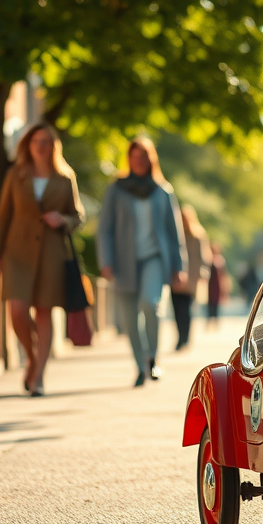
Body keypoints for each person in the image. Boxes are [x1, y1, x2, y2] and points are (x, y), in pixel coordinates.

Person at [0, 124, 85, 396]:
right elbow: (3, 216)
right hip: (16, 252)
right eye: (36, 141)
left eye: (46, 141)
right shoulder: (16, 175)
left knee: (44, 311)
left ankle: (39, 375)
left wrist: (62, 219)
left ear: (54, 146)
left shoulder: (66, 178)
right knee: (17, 311)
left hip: (52, 253)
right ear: (28, 145)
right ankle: (31, 357)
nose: (41, 146)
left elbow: (78, 216)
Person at [98, 136, 186, 387]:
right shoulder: (116, 190)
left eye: (143, 156)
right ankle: (139, 365)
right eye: (134, 156)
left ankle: (152, 359)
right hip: (124, 261)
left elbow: (173, 231)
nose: (139, 160)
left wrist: (179, 267)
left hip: (154, 258)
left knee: (151, 304)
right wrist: (106, 260)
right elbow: (105, 228)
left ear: (151, 159)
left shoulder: (163, 191)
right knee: (129, 319)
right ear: (129, 159)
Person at [170, 205, 211, 351]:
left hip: (191, 280)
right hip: (176, 279)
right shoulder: (175, 237)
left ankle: (185, 339)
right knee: (177, 310)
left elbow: (205, 258)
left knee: (186, 311)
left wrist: (202, 274)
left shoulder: (198, 236)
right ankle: (180, 338)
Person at [205, 241, 228, 328]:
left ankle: (216, 322)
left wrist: (225, 286)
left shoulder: (220, 260)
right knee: (209, 303)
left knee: (216, 303)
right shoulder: (208, 259)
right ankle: (209, 321)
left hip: (217, 284)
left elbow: (223, 274)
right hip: (210, 285)